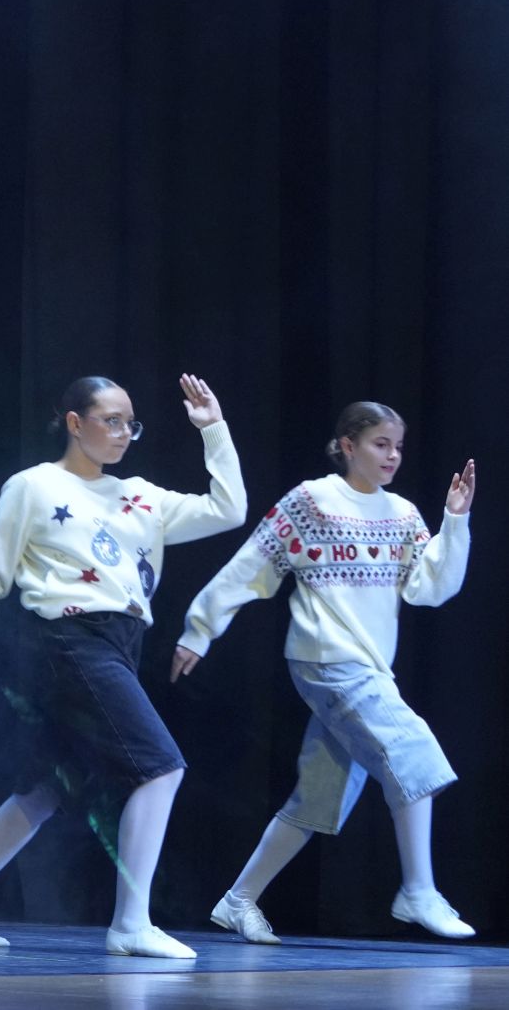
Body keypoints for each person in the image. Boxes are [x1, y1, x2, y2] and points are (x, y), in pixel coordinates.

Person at [0, 373, 242, 959]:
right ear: (75, 422)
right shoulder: (33, 487)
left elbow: (229, 509)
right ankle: (131, 923)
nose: (123, 433)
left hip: (121, 644)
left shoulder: (140, 496)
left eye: (130, 424)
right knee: (160, 767)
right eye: (110, 421)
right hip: (69, 641)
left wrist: (213, 430)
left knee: (46, 788)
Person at [175, 402, 475, 943]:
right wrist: (200, 628)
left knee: (318, 796)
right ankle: (418, 890)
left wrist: (455, 521)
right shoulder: (311, 502)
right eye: (381, 444)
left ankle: (238, 900)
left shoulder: (403, 514)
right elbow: (251, 566)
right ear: (348, 445)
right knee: (413, 751)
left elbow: (430, 589)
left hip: (368, 669)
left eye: (398, 446)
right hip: (327, 661)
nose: (392, 455)